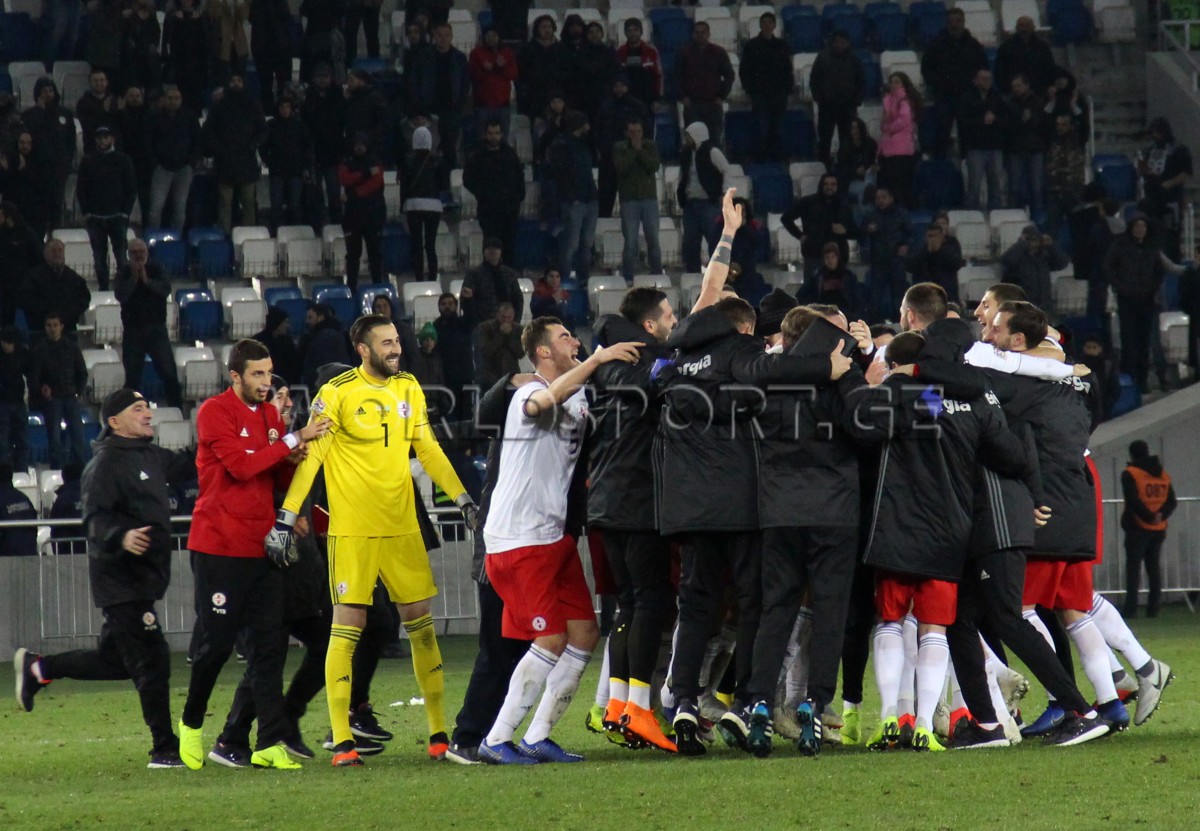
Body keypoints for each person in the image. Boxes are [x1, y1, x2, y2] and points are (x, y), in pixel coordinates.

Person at [271, 314, 480, 767]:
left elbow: (428, 449)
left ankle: (438, 733)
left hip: (402, 528)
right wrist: (286, 517)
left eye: (397, 340)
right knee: (347, 628)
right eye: (386, 343)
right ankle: (343, 739)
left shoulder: (408, 387)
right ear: (363, 349)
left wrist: (464, 499)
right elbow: (312, 460)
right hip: (353, 531)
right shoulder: (337, 392)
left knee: (421, 626)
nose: (396, 348)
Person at [478, 317, 641, 765]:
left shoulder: (581, 395)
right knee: (550, 638)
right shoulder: (528, 393)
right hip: (518, 538)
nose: (574, 340)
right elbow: (544, 402)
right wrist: (597, 360)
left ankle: (537, 736)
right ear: (543, 352)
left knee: (584, 633)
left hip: (554, 534)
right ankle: (496, 738)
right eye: (564, 336)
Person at [14, 389, 195, 768]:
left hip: (145, 579)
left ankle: (39, 668)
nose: (148, 413)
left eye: (147, 407)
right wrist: (121, 536)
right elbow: (94, 520)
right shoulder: (105, 464)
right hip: (121, 581)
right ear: (114, 421)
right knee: (153, 660)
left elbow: (191, 465)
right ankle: (164, 748)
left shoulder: (149, 455)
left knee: (115, 661)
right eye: (138, 409)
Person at [178, 339, 331, 771]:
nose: (266, 382)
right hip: (219, 547)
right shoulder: (214, 412)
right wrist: (293, 439)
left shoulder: (268, 416)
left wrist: (294, 458)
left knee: (269, 649)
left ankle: (268, 743)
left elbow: (273, 476)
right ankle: (191, 722)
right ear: (236, 376)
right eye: (257, 374)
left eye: (268, 372)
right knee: (216, 646)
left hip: (262, 549)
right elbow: (241, 468)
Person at [1102, 213, 1170, 393]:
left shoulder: (1152, 247)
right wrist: (1120, 287)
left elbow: (1159, 271)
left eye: (1143, 226)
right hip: (1127, 300)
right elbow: (1108, 267)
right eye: (1137, 226)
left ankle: (1142, 380)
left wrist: (1152, 288)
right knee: (1128, 341)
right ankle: (1130, 380)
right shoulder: (1120, 246)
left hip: (1147, 300)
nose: (1140, 230)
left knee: (1144, 341)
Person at [115, 240, 183, 407]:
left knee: (169, 374)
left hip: (156, 330)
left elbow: (165, 289)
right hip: (133, 332)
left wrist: (146, 281)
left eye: (141, 251)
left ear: (147, 252)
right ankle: (131, 412)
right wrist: (134, 279)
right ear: (129, 254)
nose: (138, 255)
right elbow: (120, 295)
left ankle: (177, 411)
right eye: (134, 252)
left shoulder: (157, 268)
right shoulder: (124, 272)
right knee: (132, 378)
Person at [203, 72, 269, 233]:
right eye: (233, 80)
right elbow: (209, 132)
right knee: (225, 202)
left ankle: (250, 236)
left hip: (246, 161)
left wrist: (253, 145)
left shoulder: (253, 105)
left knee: (249, 202)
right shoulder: (219, 106)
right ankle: (224, 236)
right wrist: (219, 149)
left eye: (239, 80)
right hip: (225, 162)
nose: (236, 83)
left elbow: (263, 130)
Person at [920, 8, 988, 158]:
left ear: (963, 22)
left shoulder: (973, 45)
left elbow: (983, 68)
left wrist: (975, 86)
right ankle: (940, 165)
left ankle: (967, 166)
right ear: (946, 23)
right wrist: (938, 84)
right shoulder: (936, 44)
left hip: (967, 96)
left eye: (957, 21)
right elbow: (926, 69)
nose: (954, 25)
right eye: (951, 21)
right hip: (944, 96)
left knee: (968, 134)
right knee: (942, 133)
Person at [77, 126, 137, 292]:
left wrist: (125, 213)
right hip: (95, 218)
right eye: (99, 137)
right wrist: (87, 212)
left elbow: (131, 188)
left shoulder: (123, 160)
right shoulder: (88, 161)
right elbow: (81, 189)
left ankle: (123, 288)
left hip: (117, 217)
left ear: (112, 139)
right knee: (99, 258)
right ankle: (103, 289)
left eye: (105, 137)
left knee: (121, 257)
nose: (102, 140)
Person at [1121, 440, 1176, 618]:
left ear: (1132, 454)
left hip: (1136, 527)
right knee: (1153, 568)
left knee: (1133, 569)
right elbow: (1171, 501)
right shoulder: (1163, 475)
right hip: (1159, 528)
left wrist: (1148, 516)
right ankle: (1153, 608)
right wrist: (1160, 515)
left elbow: (1133, 500)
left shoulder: (1130, 473)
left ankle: (1131, 609)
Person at [463, 119, 525, 267]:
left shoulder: (509, 154)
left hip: (509, 209)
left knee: (509, 246)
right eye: (490, 133)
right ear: (485, 134)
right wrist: (483, 193)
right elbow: (468, 179)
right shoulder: (478, 155)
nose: (494, 137)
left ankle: (508, 274)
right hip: (488, 210)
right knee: (491, 246)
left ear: (501, 134)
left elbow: (519, 177)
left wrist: (518, 198)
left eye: (496, 133)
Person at [32, 314, 89, 468]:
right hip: (52, 400)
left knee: (77, 437)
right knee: (54, 439)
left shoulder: (72, 347)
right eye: (49, 325)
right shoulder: (39, 350)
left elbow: (82, 372)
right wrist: (41, 389)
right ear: (45, 328)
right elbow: (34, 376)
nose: (52, 328)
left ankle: (80, 470)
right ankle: (57, 470)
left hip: (70, 397)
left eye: (55, 325)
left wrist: (78, 392)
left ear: (61, 326)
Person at [21, 77, 77, 232]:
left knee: (56, 205)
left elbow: (70, 141)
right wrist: (40, 112)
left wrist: (66, 162)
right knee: (38, 206)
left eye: (50, 90)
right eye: (44, 91)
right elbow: (30, 136)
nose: (48, 94)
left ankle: (55, 235)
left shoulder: (65, 114)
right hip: (36, 169)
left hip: (58, 169)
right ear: (38, 93)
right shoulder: (28, 115)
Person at [549, 112, 599, 283]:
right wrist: (572, 198)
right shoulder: (561, 146)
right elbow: (559, 174)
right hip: (574, 202)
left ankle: (583, 279)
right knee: (572, 243)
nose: (589, 127)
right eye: (586, 124)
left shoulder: (585, 144)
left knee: (587, 243)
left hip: (590, 199)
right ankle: (564, 280)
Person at [595, 74, 651, 219]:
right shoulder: (606, 106)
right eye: (616, 85)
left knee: (630, 198)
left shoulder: (638, 106)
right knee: (606, 196)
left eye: (622, 85)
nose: (619, 89)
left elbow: (647, 131)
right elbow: (598, 130)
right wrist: (602, 148)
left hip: (631, 158)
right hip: (608, 158)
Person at [739, 12, 793, 163]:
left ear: (774, 25)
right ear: (760, 25)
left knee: (778, 128)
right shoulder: (751, 46)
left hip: (779, 94)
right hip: (759, 94)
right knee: (761, 128)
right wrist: (750, 90)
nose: (767, 25)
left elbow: (787, 69)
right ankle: (760, 159)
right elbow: (744, 70)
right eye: (764, 22)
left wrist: (787, 90)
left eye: (770, 22)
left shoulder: (782, 45)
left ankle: (778, 159)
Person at [782, 173, 856, 280]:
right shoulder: (808, 202)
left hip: (839, 256)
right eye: (826, 184)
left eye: (833, 184)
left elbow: (854, 229)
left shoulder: (844, 204)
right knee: (812, 288)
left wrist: (845, 230)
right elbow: (786, 218)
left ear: (837, 186)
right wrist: (800, 236)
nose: (829, 187)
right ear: (821, 185)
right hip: (814, 255)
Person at [146, 86, 200, 230]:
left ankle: (177, 237)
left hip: (184, 168)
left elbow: (197, 141)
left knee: (180, 206)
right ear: (164, 99)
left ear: (181, 100)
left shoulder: (189, 117)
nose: (173, 101)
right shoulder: (155, 117)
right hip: (162, 168)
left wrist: (191, 163)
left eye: (176, 98)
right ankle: (153, 236)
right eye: (170, 98)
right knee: (156, 206)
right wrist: (155, 163)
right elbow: (148, 142)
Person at [614, 119, 662, 281]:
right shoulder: (620, 147)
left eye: (638, 132)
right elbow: (621, 167)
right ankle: (628, 277)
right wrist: (634, 151)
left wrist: (640, 151)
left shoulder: (650, 146)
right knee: (630, 242)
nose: (635, 135)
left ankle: (657, 274)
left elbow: (653, 166)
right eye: (632, 132)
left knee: (653, 239)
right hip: (629, 200)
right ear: (626, 133)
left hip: (649, 199)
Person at [1138, 117, 1192, 259]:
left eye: (1158, 133)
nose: (1155, 136)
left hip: (1171, 199)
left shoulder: (1179, 150)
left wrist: (1169, 184)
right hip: (1152, 198)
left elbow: (1186, 173)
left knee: (1171, 233)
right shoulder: (1149, 150)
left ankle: (1173, 260)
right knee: (1151, 232)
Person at [678, 121, 729, 273]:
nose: (686, 139)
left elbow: (726, 170)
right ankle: (692, 274)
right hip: (690, 205)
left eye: (689, 136)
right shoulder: (685, 153)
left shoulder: (712, 152)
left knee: (714, 240)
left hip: (709, 204)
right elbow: (683, 175)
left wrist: (724, 193)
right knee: (690, 243)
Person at [338, 133, 386, 293]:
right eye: (356, 144)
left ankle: (377, 287)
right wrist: (366, 173)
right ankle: (351, 289)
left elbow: (374, 184)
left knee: (375, 254)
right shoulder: (347, 162)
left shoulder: (375, 161)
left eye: (362, 144)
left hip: (373, 215)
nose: (359, 147)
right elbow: (345, 179)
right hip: (353, 217)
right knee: (353, 255)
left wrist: (352, 193)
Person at [810, 30, 864, 166]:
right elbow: (814, 79)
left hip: (847, 107)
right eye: (837, 42)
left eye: (843, 42)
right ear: (832, 42)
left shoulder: (854, 60)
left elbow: (861, 82)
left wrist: (856, 102)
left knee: (846, 139)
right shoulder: (822, 58)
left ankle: (844, 166)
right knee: (825, 139)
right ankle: (824, 166)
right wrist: (819, 98)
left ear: (848, 43)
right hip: (826, 107)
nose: (839, 45)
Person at [262, 96, 314, 233]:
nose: (284, 110)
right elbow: (263, 146)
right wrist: (269, 160)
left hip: (295, 170)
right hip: (277, 170)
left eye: (287, 107)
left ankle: (296, 233)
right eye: (282, 107)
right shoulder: (271, 125)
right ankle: (276, 233)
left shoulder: (299, 125)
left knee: (295, 205)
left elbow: (307, 146)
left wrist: (305, 165)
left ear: (291, 109)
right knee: (276, 205)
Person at [677, 21, 734, 145]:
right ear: (692, 34)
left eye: (703, 32)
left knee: (714, 140)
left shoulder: (718, 52)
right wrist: (682, 96)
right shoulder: (684, 52)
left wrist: (721, 96)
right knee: (693, 142)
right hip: (692, 104)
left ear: (708, 34)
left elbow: (729, 75)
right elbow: (676, 77)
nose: (700, 35)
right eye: (697, 32)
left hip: (713, 103)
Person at [861, 187, 911, 324]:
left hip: (896, 262)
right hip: (877, 262)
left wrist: (905, 246)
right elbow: (860, 233)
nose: (880, 200)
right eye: (878, 197)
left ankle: (900, 326)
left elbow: (911, 234)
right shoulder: (870, 215)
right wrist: (867, 229)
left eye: (884, 197)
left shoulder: (901, 214)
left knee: (898, 298)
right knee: (875, 298)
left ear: (891, 198)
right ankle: (874, 327)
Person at [20, 240, 91, 337]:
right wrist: (47, 315)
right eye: (53, 251)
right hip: (40, 331)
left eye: (60, 250)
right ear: (45, 254)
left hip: (68, 330)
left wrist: (69, 314)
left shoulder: (74, 278)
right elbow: (25, 300)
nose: (57, 253)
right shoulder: (33, 278)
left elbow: (84, 299)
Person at [959, 68, 1007, 211]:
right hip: (975, 147)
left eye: (989, 79)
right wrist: (981, 121)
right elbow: (963, 122)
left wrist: (995, 119)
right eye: (983, 78)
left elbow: (1005, 120)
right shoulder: (967, 98)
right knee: (974, 185)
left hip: (994, 146)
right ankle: (973, 214)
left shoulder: (997, 97)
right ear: (975, 80)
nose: (987, 82)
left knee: (996, 185)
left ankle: (996, 214)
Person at [401, 126, 443, 281]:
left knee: (416, 245)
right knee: (430, 245)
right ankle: (432, 278)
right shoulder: (437, 162)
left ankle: (419, 278)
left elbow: (404, 186)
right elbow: (443, 184)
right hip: (434, 206)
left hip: (414, 206)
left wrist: (402, 206)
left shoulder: (408, 162)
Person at [1002, 75, 1046, 215]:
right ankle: (1013, 216)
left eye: (1019, 86)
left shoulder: (1038, 102)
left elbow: (1042, 125)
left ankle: (1037, 217)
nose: (1016, 89)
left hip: (1034, 149)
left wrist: (1030, 119)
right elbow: (1006, 126)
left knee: (1036, 187)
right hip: (1015, 149)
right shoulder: (1008, 103)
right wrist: (1021, 120)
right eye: (1014, 86)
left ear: (1027, 86)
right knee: (1014, 187)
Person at [1000, 225, 1067, 312]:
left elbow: (1062, 263)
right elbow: (1006, 261)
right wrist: (1021, 244)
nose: (1033, 243)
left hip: (1044, 306)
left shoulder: (1044, 256)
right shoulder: (1018, 257)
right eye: (1030, 239)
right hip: (1024, 307)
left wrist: (1051, 246)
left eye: (1036, 239)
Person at [879, 73, 922, 208]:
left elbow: (904, 120)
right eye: (891, 82)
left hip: (902, 149)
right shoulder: (889, 100)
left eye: (897, 82)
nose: (893, 85)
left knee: (901, 184)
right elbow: (884, 122)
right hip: (889, 148)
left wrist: (888, 128)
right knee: (892, 184)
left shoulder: (904, 100)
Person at [469, 27, 519, 143]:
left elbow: (513, 74)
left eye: (494, 35)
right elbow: (473, 75)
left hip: (502, 104)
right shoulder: (476, 53)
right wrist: (485, 69)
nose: (491, 39)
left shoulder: (507, 53)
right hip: (482, 104)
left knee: (502, 138)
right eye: (488, 35)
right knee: (482, 139)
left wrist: (501, 67)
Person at [461, 238, 524, 329]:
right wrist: (477, 324)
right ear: (484, 252)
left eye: (496, 248)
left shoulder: (509, 273)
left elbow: (518, 299)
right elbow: (466, 301)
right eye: (489, 249)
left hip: (508, 324)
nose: (492, 251)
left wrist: (515, 321)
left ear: (500, 251)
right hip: (483, 325)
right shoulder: (474, 274)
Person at [1044, 112, 1087, 239]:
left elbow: (1073, 168)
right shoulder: (1052, 142)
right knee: (1051, 231)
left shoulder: (1078, 142)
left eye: (1063, 125)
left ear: (1071, 126)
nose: (1060, 128)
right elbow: (1049, 167)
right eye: (1058, 125)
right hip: (1054, 192)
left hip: (1073, 192)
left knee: (1078, 231)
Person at [994, 16, 1057, 100]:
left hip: (1039, 92)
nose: (1024, 29)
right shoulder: (1006, 47)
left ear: (1033, 27)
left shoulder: (1043, 47)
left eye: (1027, 25)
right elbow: (999, 70)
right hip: (1013, 94)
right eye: (1021, 25)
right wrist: (1005, 89)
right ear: (1016, 28)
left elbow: (1050, 68)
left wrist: (1050, 86)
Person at [433, 293, 475, 419]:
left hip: (464, 376)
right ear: (439, 307)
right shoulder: (436, 326)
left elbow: (472, 318)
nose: (447, 307)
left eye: (450, 304)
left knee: (466, 413)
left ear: (456, 306)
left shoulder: (464, 323)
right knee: (449, 412)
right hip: (445, 377)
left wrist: (468, 301)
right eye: (444, 304)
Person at [0, 202, 41, 326]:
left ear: (8, 216)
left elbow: (37, 257)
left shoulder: (27, 234)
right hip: (5, 287)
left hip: (24, 285)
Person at [249, 0, 294, 111]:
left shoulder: (258, 4)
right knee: (272, 83)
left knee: (274, 83)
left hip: (269, 47)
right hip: (274, 46)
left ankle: (277, 109)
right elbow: (286, 16)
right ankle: (276, 109)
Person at [905, 222, 965, 304]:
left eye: (935, 236)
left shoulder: (951, 245)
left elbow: (957, 263)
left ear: (942, 237)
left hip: (947, 294)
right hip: (924, 294)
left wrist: (940, 251)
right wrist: (927, 252)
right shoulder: (919, 249)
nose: (933, 239)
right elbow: (909, 266)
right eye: (930, 236)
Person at [517, 14, 562, 119]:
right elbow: (522, 71)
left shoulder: (561, 48)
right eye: (543, 27)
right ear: (537, 29)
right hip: (534, 95)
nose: (547, 30)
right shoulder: (527, 49)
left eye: (549, 27)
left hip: (556, 94)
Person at [299, 303, 353, 389]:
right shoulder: (332, 333)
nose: (307, 321)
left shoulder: (326, 337)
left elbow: (326, 368)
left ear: (320, 317)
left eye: (310, 317)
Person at [0, 327, 32, 471]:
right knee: (3, 443)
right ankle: (4, 472)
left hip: (19, 402)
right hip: (3, 404)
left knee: (22, 441)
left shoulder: (24, 355)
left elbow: (30, 377)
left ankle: (22, 471)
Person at [616, 18, 662, 109]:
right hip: (626, 100)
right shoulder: (620, 52)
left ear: (641, 32)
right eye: (629, 30)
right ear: (625, 33)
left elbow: (658, 75)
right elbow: (616, 77)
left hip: (647, 99)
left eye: (636, 30)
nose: (632, 33)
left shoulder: (651, 51)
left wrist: (657, 99)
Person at [833, 118, 878, 208]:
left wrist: (872, 166)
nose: (856, 131)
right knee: (865, 189)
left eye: (858, 128)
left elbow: (873, 160)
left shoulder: (870, 143)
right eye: (853, 128)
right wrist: (855, 171)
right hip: (850, 180)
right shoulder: (845, 146)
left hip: (869, 176)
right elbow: (841, 169)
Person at [476, 302, 523, 388]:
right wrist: (500, 335)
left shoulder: (518, 329)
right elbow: (486, 351)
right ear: (497, 315)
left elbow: (520, 353)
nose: (506, 320)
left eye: (509, 317)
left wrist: (509, 336)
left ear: (513, 316)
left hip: (511, 375)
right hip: (490, 376)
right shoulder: (485, 327)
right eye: (503, 317)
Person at [253, 306, 302, 386]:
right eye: (285, 322)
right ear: (276, 323)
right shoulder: (257, 342)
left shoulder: (287, 342)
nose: (287, 326)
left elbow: (294, 367)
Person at [75, 69, 119, 155]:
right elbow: (88, 126)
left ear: (107, 82)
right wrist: (105, 111)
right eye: (95, 80)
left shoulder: (114, 101)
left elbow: (116, 125)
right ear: (90, 83)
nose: (99, 83)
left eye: (101, 80)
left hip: (114, 149)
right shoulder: (83, 103)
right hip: (92, 149)